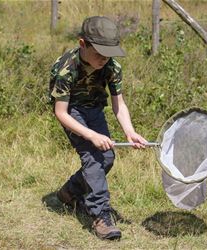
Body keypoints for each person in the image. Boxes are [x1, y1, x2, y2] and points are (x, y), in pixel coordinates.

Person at [49, 16, 147, 240]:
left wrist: (130, 132)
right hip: (71, 111)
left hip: (94, 110)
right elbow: (60, 112)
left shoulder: (112, 67)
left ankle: (69, 192)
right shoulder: (66, 69)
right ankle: (100, 214)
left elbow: (119, 104)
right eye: (99, 52)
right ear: (82, 44)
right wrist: (91, 135)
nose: (104, 58)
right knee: (94, 158)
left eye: (109, 53)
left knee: (107, 158)